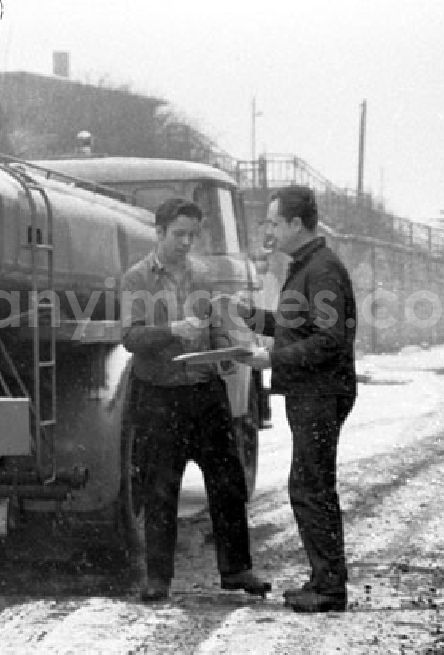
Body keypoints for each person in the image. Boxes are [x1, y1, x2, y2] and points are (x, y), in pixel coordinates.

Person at [120, 198, 270, 602]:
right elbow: (130, 337)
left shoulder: (204, 276)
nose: (187, 242)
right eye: (179, 234)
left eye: (192, 235)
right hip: (159, 395)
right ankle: (158, 579)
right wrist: (172, 330)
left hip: (205, 395)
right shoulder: (137, 280)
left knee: (227, 483)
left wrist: (225, 354)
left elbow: (216, 327)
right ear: (160, 232)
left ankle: (237, 570)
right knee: (159, 488)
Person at [226, 185, 357, 613]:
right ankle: (325, 580)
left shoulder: (320, 270)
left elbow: (329, 340)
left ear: (296, 224)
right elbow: (296, 325)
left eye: (275, 222)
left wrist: (272, 358)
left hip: (319, 393)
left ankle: (329, 588)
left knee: (311, 488)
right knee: (311, 486)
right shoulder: (307, 265)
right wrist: (253, 317)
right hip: (312, 391)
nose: (270, 229)